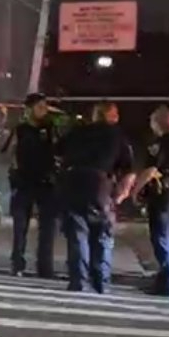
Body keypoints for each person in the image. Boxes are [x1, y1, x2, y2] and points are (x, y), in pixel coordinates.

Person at [58, 102, 135, 294]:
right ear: (112, 116)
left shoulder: (77, 132)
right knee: (102, 232)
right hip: (99, 183)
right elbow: (129, 170)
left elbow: (58, 152)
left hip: (73, 181)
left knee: (77, 233)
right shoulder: (117, 135)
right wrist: (122, 193)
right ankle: (101, 281)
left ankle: (78, 281)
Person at [116, 105, 169, 297]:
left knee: (161, 239)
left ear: (158, 123)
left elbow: (150, 171)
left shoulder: (159, 144)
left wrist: (135, 191)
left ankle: (166, 284)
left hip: (163, 195)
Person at [3, 93, 58, 278]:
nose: (44, 110)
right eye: (39, 106)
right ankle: (17, 263)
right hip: (24, 182)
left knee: (48, 227)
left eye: (45, 106)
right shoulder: (20, 130)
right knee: (20, 226)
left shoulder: (51, 129)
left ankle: (45, 267)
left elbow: (59, 151)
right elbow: (8, 154)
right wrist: (14, 176)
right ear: (29, 109)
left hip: (46, 183)